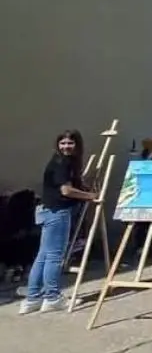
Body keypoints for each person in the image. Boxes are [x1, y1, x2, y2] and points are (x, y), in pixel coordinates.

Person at [20, 130, 97, 314]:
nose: (66, 146)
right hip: (57, 212)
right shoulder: (62, 163)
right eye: (63, 143)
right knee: (54, 257)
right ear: (58, 145)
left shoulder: (60, 161)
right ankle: (52, 297)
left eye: (70, 143)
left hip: (48, 211)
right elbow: (66, 191)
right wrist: (91, 196)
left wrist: (83, 188)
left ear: (77, 145)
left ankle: (32, 299)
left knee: (43, 256)